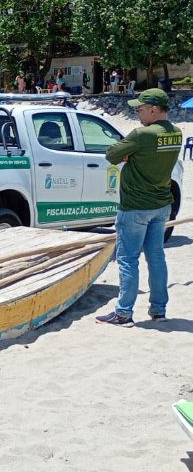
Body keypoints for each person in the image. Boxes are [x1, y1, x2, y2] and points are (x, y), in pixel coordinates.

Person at [95, 89, 183, 326]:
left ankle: (123, 313)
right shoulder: (176, 133)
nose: (137, 113)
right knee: (156, 257)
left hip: (135, 206)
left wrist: (129, 156)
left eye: (140, 109)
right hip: (161, 203)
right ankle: (158, 309)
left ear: (154, 109)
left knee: (128, 258)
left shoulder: (142, 134)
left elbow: (111, 154)